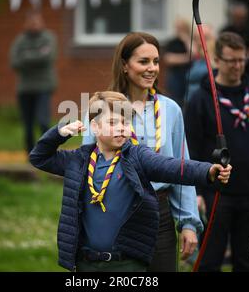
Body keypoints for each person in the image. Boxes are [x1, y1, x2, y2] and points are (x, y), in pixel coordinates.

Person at [30, 91, 231, 272]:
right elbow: (39, 157)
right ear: (94, 126)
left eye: (125, 123)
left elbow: (171, 166)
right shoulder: (77, 160)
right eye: (112, 123)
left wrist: (208, 171)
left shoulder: (137, 156)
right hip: (85, 263)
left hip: (127, 264)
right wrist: (58, 133)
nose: (120, 128)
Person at [83, 32, 203, 272]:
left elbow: (181, 168)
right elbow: (87, 166)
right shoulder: (102, 108)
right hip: (115, 211)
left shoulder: (170, 110)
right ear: (125, 65)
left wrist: (189, 223)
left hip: (159, 213)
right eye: (143, 61)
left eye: (156, 62)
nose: (152, 69)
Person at [185, 32, 249, 272]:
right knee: (209, 260)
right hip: (215, 193)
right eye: (231, 60)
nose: (238, 66)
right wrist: (195, 191)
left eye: (242, 60)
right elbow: (191, 147)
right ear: (217, 60)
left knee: (246, 260)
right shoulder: (201, 99)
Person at [9, 9, 58, 153]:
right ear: (26, 23)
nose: (34, 25)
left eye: (37, 21)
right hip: (24, 88)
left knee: (43, 121)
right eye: (31, 22)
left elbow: (47, 58)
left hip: (44, 86)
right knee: (28, 124)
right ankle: (30, 153)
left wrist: (26, 57)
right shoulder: (20, 40)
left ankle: (48, 151)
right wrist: (37, 55)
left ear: (41, 22)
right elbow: (14, 62)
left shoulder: (49, 38)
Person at [164, 18, 196, 108]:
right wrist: (187, 58)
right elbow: (169, 59)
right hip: (175, 75)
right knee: (175, 99)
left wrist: (186, 40)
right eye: (177, 28)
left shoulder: (191, 41)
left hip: (190, 74)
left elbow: (194, 53)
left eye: (181, 28)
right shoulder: (172, 42)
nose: (179, 30)